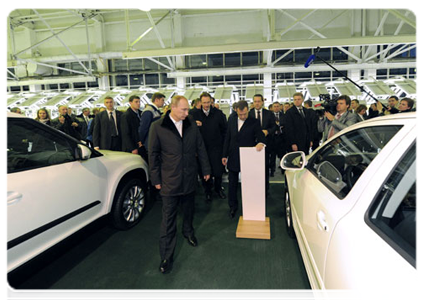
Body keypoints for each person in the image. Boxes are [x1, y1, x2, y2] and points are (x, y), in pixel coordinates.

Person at [148, 95, 211, 274]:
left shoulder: (191, 123)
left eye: (187, 109)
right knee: (168, 219)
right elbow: (153, 155)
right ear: (172, 108)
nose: (187, 113)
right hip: (169, 180)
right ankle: (166, 255)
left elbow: (200, 147)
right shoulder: (157, 127)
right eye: (183, 110)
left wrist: (205, 169)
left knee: (189, 209)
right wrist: (156, 180)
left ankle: (188, 232)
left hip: (189, 177)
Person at [222, 100, 266, 219]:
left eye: (245, 114)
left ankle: (250, 206)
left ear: (248, 109)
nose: (243, 116)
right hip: (234, 156)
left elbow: (261, 136)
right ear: (236, 111)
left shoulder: (254, 121)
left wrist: (261, 143)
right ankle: (232, 206)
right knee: (232, 184)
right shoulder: (231, 119)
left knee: (249, 184)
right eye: (240, 114)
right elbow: (227, 138)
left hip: (249, 157)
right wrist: (224, 155)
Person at [190, 92, 228, 202]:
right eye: (204, 102)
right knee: (204, 172)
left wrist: (224, 149)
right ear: (200, 102)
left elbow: (225, 131)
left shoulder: (219, 114)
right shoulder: (193, 115)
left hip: (216, 148)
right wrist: (193, 123)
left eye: (208, 102)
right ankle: (207, 191)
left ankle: (218, 189)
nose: (206, 105)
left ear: (211, 102)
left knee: (218, 171)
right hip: (201, 150)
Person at [248, 94, 276, 193]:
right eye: (255, 101)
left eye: (259, 101)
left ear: (262, 102)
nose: (257, 103)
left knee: (265, 168)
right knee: (253, 169)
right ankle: (254, 188)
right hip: (252, 146)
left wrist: (267, 131)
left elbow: (274, 127)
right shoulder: (249, 114)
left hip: (266, 145)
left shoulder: (269, 114)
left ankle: (265, 188)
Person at [139, 92, 165, 159]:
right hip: (149, 142)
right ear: (156, 100)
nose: (164, 102)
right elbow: (143, 128)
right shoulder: (148, 111)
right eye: (162, 100)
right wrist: (141, 141)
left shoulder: (155, 111)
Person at [269, 102, 286, 176]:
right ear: (272, 108)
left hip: (281, 138)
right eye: (274, 106)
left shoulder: (284, 115)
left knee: (282, 155)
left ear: (280, 107)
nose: (276, 108)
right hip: (272, 138)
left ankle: (283, 170)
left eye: (277, 106)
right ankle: (272, 171)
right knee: (272, 156)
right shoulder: (269, 116)